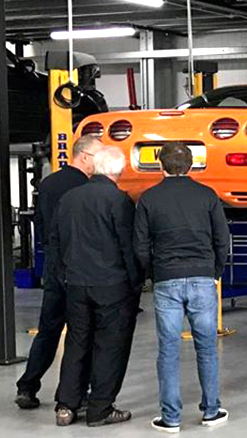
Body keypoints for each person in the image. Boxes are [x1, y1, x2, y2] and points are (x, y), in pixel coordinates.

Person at [134, 142, 231, 432]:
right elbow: (222, 240)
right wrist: (214, 272)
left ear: (160, 165)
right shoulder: (207, 196)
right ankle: (211, 411)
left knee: (168, 349)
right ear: (191, 166)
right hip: (202, 278)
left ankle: (171, 418)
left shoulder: (148, 199)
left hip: (167, 279)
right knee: (206, 347)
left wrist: (153, 273)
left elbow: (140, 246)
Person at [51, 146, 141, 427]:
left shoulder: (69, 198)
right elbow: (129, 247)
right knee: (110, 345)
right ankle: (100, 408)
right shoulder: (119, 201)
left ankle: (66, 405)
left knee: (77, 342)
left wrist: (61, 275)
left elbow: (55, 240)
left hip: (76, 283)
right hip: (112, 286)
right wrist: (136, 282)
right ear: (120, 170)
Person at [15, 135, 102, 410]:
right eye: (98, 155)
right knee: (82, 332)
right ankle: (73, 394)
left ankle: (27, 387)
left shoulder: (49, 183)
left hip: (55, 263)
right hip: (81, 265)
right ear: (85, 156)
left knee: (48, 329)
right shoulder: (87, 187)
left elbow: (40, 224)